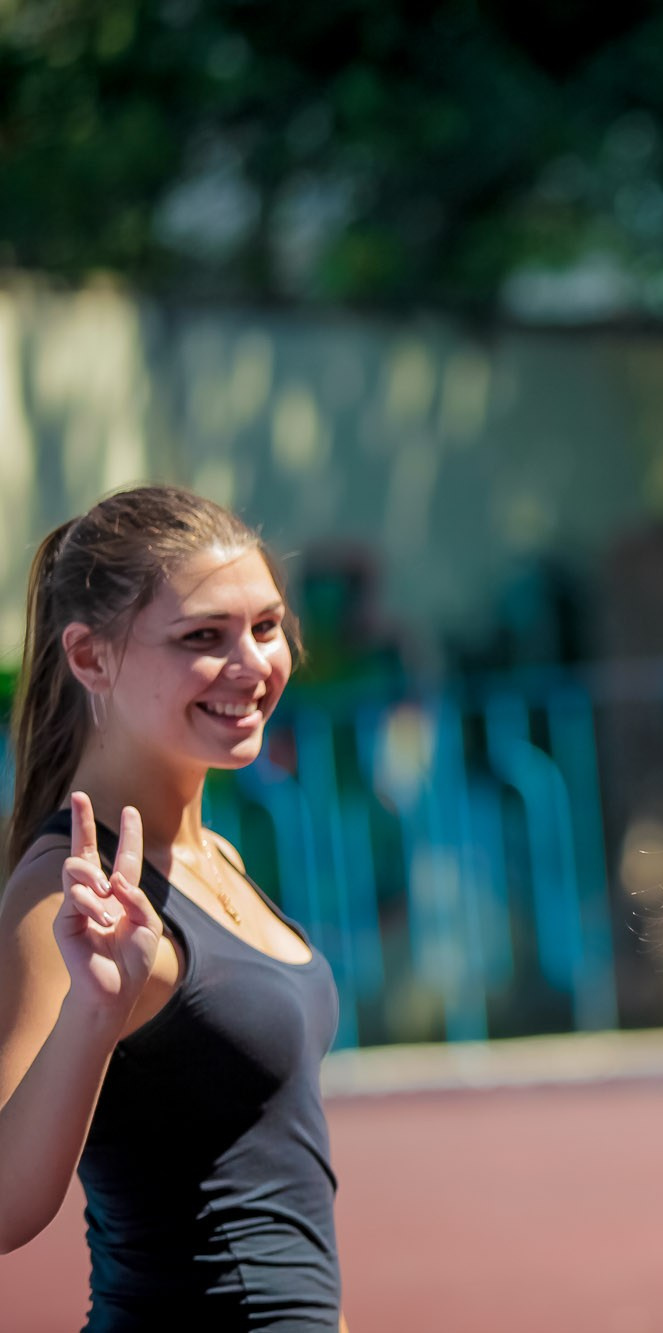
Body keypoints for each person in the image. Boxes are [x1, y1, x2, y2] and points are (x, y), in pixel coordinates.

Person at [0, 486, 345, 1331]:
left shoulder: (211, 855)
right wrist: (95, 1009)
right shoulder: (66, 894)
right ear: (89, 657)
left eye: (266, 626)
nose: (254, 662)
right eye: (203, 637)